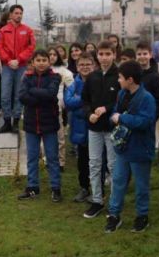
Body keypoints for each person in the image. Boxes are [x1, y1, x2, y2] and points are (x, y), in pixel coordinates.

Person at [104, 60, 156, 234]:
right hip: (123, 148)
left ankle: (142, 216)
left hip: (140, 149)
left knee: (141, 185)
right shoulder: (122, 94)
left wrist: (121, 119)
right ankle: (114, 215)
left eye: (120, 77)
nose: (118, 80)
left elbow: (145, 122)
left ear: (130, 79)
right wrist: (114, 117)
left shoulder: (147, 98)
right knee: (118, 181)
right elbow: (116, 113)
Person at [17, 50, 62, 202]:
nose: (41, 63)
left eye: (44, 60)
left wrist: (33, 92)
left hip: (49, 123)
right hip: (31, 124)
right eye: (38, 60)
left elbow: (51, 94)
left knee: (52, 157)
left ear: (49, 62)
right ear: (33, 62)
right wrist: (40, 98)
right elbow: (22, 96)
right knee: (32, 157)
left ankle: (56, 188)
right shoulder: (27, 77)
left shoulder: (55, 77)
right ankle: (32, 187)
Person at [82, 40, 120, 219]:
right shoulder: (92, 77)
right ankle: (97, 200)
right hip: (94, 128)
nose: (104, 58)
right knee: (95, 164)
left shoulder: (119, 76)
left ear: (114, 55)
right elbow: (85, 101)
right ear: (97, 56)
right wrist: (89, 113)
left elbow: (123, 101)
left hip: (112, 128)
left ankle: (114, 202)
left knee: (113, 165)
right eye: (101, 54)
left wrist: (107, 108)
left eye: (108, 54)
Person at [0, 5, 36, 133]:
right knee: (5, 95)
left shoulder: (28, 30)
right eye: (16, 13)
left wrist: (18, 59)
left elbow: (31, 47)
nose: (19, 15)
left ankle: (16, 122)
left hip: (21, 66)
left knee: (19, 95)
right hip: (8, 67)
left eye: (21, 13)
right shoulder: (3, 31)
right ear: (11, 15)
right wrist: (8, 60)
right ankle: (7, 121)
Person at [65, 52, 96, 203]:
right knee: (82, 161)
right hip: (80, 129)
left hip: (96, 127)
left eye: (87, 64)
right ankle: (84, 188)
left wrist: (82, 103)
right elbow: (68, 102)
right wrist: (86, 100)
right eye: (81, 64)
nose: (84, 67)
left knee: (97, 161)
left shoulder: (98, 82)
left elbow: (99, 102)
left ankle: (97, 189)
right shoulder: (73, 84)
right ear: (77, 67)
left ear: (93, 66)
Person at [135, 41, 159, 145]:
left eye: (145, 54)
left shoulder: (156, 76)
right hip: (135, 117)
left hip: (150, 118)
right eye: (139, 54)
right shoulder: (133, 74)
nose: (142, 57)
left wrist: (153, 116)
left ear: (150, 55)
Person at [49, 47, 74, 171]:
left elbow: (71, 89)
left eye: (55, 54)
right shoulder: (44, 70)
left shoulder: (65, 71)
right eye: (50, 54)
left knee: (60, 136)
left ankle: (61, 162)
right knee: (47, 136)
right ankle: (47, 159)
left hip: (58, 107)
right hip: (44, 107)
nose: (52, 56)